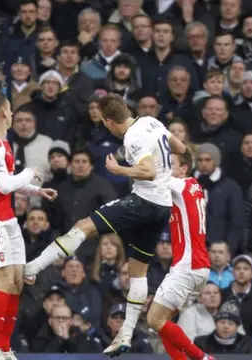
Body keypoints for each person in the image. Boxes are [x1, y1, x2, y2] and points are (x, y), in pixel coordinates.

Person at [23, 93, 186, 356]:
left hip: (143, 202)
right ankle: (126, 333)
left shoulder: (133, 137)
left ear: (109, 122)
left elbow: (148, 171)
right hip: (162, 208)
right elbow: (179, 146)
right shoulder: (150, 122)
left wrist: (118, 169)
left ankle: (33, 267)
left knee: (84, 226)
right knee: (138, 271)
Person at [0, 91, 57, 360]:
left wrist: (36, 191)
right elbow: (6, 184)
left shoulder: (3, 142)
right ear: (0, 113)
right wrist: (31, 171)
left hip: (6, 216)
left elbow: (8, 184)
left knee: (18, 283)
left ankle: (5, 347)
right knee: (4, 281)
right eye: (9, 109)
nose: (12, 114)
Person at [145, 151, 214, 360]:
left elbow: (149, 175)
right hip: (198, 266)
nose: (164, 167)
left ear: (184, 169)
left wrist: (121, 167)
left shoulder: (180, 184)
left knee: (154, 320)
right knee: (162, 322)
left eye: (170, 163)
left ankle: (203, 359)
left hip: (187, 265)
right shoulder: (194, 186)